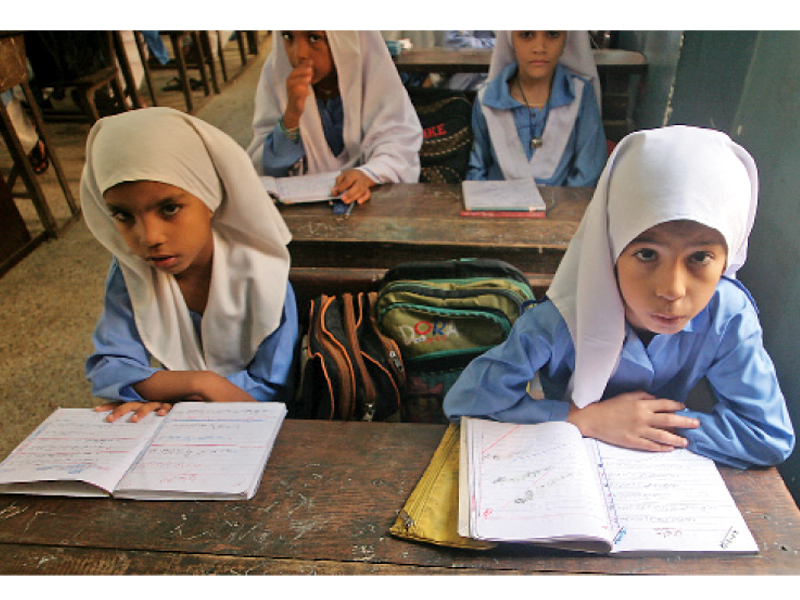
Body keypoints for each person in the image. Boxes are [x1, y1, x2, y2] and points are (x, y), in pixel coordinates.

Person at [444, 125, 795, 469]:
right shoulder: (560, 320)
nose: (671, 290)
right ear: (611, 248)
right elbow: (466, 404)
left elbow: (767, 435)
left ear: (728, 257)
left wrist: (654, 425)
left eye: (699, 258)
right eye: (646, 254)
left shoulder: (727, 315)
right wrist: (583, 419)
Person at [81, 107, 299, 423]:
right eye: (123, 216)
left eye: (169, 208)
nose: (150, 238)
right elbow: (108, 369)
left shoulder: (264, 274)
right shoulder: (132, 271)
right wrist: (200, 383)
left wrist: (166, 392)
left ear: (209, 197)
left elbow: (269, 393)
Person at [247, 31, 422, 205]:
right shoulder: (278, 70)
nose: (299, 54)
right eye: (288, 37)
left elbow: (399, 141)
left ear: (344, 41)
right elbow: (266, 167)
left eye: (314, 38)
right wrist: (292, 116)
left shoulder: (371, 68)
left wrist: (370, 173)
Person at [467, 31, 607, 187]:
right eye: (526, 35)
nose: (540, 48)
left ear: (566, 40)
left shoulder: (581, 95)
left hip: (567, 208)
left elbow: (588, 174)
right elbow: (477, 172)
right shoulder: (487, 100)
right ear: (511, 40)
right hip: (497, 208)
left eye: (553, 34)